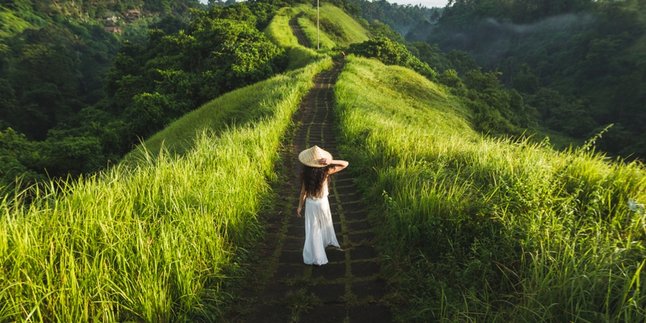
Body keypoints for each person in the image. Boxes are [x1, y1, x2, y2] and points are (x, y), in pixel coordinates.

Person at [296, 145, 349, 266]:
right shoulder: (326, 172)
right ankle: (324, 245)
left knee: (313, 229)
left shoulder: (306, 175)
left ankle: (317, 255)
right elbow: (345, 163)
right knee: (325, 224)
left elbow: (303, 192)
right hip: (323, 203)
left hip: (310, 205)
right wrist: (331, 161)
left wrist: (299, 206)